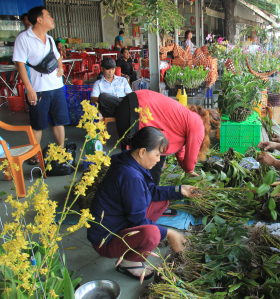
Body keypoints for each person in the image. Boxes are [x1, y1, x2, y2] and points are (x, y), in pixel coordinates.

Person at [87, 127, 199, 280]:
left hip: (119, 223)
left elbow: (151, 191)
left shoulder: (130, 160)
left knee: (162, 200)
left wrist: (180, 190)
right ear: (142, 152)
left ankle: (138, 244)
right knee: (152, 234)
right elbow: (138, 221)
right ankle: (128, 263)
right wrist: (169, 233)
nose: (159, 160)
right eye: (158, 155)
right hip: (106, 240)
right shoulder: (130, 176)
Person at [115, 90, 221, 185]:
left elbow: (181, 149)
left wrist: (187, 169)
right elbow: (190, 161)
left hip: (134, 102)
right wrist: (189, 169)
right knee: (135, 169)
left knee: (147, 167)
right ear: (210, 128)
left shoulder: (191, 117)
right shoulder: (198, 126)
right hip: (135, 112)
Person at [13, 6, 69, 165]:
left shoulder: (50, 39)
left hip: (57, 88)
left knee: (59, 122)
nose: (52, 19)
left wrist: (60, 67)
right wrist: (29, 89)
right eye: (49, 16)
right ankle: (34, 154)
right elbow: (20, 65)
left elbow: (57, 57)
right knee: (38, 125)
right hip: (38, 90)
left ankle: (61, 151)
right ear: (39, 19)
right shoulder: (23, 39)